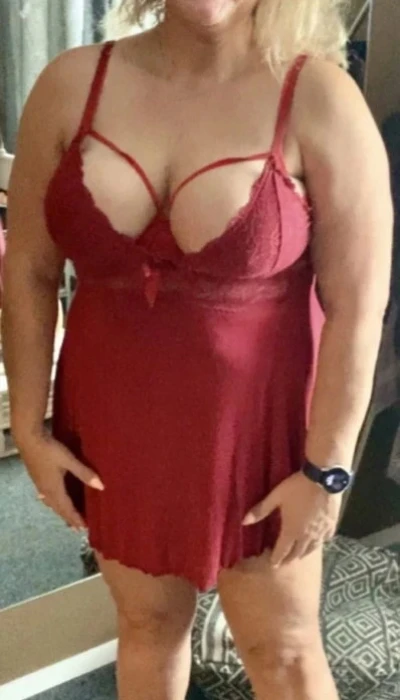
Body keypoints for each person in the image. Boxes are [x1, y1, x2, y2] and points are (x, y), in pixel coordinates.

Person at [2, 1, 393, 699]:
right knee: (146, 626)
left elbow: (359, 307)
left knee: (283, 650)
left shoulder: (320, 98)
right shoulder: (69, 85)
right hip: (117, 423)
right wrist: (29, 429)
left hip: (262, 433)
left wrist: (327, 470)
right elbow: (28, 270)